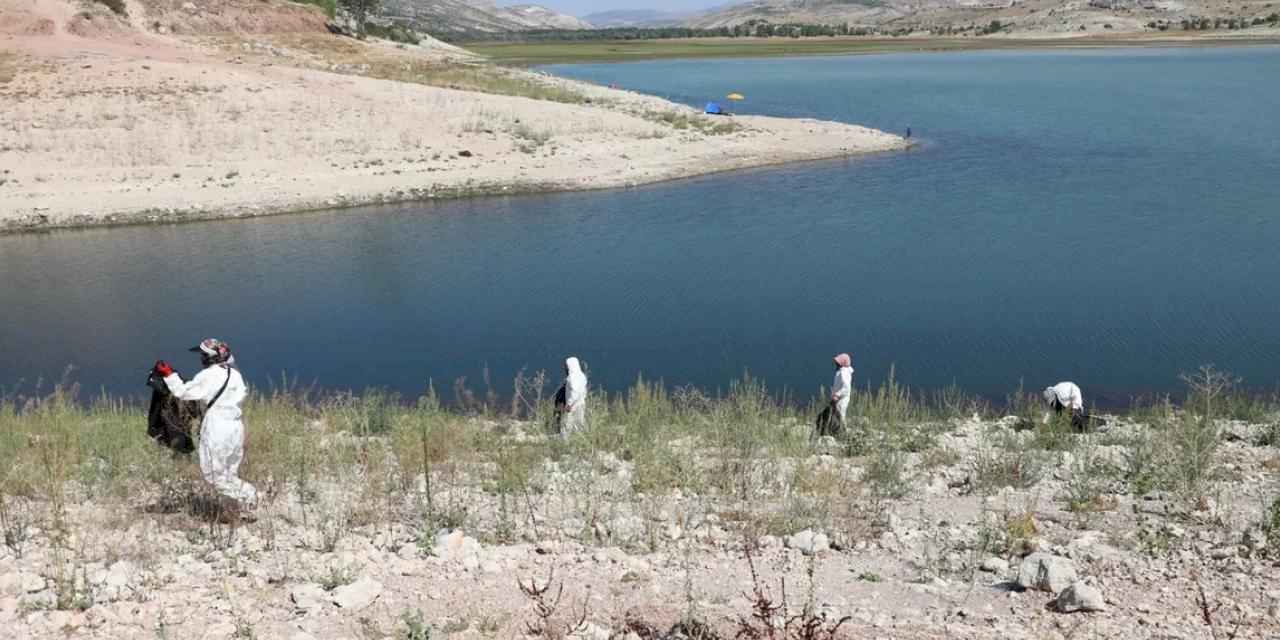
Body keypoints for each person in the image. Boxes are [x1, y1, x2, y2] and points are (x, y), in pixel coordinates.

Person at [154, 338, 258, 512]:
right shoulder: (235, 374)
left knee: (213, 475)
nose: (201, 358)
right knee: (229, 473)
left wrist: (169, 375)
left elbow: (183, 392)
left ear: (210, 358)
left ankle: (249, 496)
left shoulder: (208, 375)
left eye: (203, 355)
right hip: (235, 427)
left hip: (217, 427)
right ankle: (235, 509)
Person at [559, 356, 588, 436]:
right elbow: (583, 391)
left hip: (572, 406)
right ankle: (579, 441)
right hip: (581, 404)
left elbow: (575, 392)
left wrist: (569, 404)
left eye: (566, 366)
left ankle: (564, 443)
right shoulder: (582, 376)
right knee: (579, 425)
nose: (565, 368)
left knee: (566, 425)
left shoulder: (572, 377)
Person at [830, 353, 854, 430]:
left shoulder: (844, 373)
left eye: (837, 363)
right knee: (837, 414)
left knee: (840, 415)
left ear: (842, 363)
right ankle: (837, 430)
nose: (836, 364)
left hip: (842, 398)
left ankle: (843, 431)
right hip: (839, 398)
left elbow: (846, 388)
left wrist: (837, 395)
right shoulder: (842, 372)